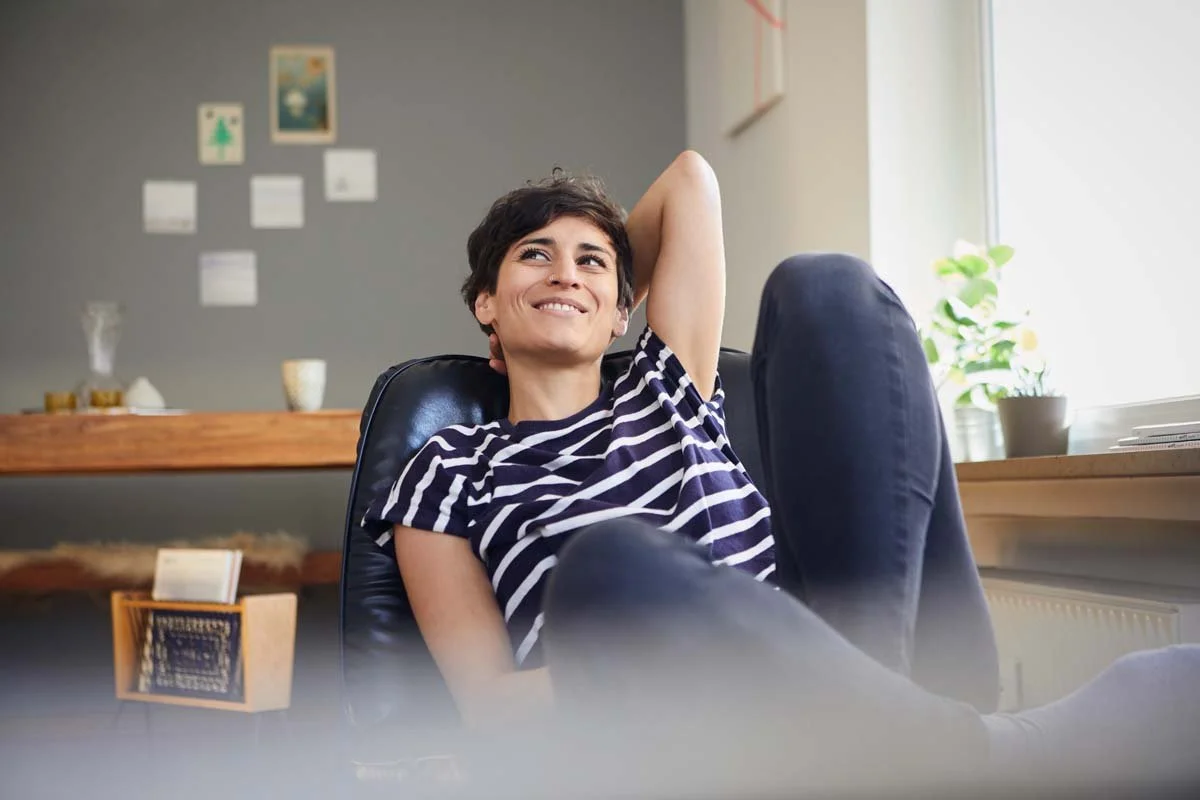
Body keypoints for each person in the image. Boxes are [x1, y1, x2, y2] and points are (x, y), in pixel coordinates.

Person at [363, 151, 1200, 794]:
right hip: (670, 731)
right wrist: (685, 657)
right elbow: (491, 708)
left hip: (859, 637)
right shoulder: (449, 467)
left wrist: (599, 291)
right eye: (534, 256)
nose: (564, 272)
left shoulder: (666, 386)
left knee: (826, 284)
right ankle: (924, 752)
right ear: (484, 302)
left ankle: (861, 723)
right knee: (612, 567)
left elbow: (690, 181)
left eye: (591, 262)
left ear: (626, 306)